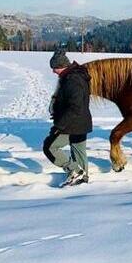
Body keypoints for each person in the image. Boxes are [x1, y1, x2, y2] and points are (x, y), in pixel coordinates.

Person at [43, 49, 93, 187]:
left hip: (72, 124)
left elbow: (75, 107)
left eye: (54, 68)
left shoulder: (72, 80)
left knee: (50, 147)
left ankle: (75, 171)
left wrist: (60, 126)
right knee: (78, 151)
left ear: (61, 66)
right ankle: (81, 181)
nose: (53, 71)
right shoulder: (75, 76)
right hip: (81, 123)